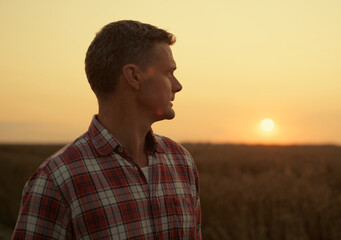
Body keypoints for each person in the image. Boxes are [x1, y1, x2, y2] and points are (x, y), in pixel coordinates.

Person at [13, 20, 201, 239]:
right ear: (134, 77)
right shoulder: (57, 180)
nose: (177, 85)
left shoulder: (181, 163)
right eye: (169, 72)